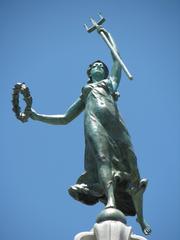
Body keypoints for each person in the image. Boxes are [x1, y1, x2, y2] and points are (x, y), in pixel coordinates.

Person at [30, 28, 151, 235]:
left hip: (116, 126)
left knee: (132, 165)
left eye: (100, 65)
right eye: (94, 66)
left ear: (104, 72)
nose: (97, 66)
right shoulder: (85, 93)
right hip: (94, 123)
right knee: (102, 157)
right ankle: (111, 200)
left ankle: (140, 217)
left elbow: (116, 59)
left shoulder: (110, 84)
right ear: (89, 73)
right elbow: (65, 118)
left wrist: (106, 34)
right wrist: (36, 115)